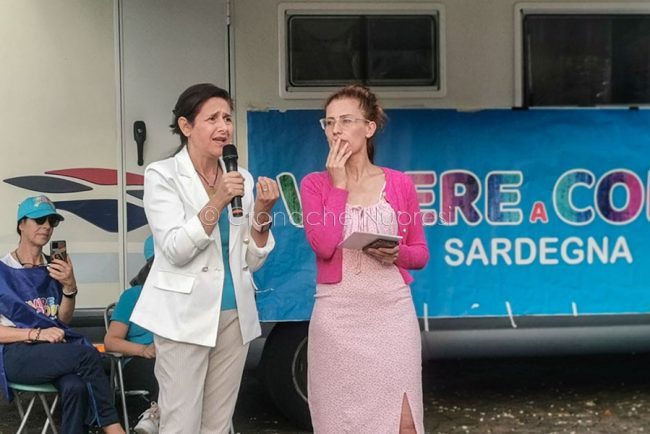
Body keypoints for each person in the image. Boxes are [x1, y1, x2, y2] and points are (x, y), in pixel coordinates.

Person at [130, 83, 279, 433]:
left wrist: (262, 215)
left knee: (218, 424)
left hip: (234, 315)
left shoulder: (239, 176)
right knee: (181, 422)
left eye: (227, 117)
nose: (224, 127)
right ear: (186, 126)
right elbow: (175, 249)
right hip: (183, 317)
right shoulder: (162, 175)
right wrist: (217, 201)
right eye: (212, 118)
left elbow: (251, 260)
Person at [300, 84, 430, 434]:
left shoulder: (400, 183)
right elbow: (325, 246)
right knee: (341, 423)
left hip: (392, 313)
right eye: (328, 122)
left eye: (345, 120)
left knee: (404, 423)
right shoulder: (314, 184)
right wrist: (339, 184)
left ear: (369, 127)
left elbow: (420, 253)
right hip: (337, 317)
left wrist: (396, 252)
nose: (336, 130)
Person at [0, 195, 125, 434]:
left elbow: (62, 320)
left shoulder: (55, 267)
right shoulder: (2, 271)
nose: (46, 226)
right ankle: (113, 427)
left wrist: (70, 287)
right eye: (39, 220)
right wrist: (36, 333)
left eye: (52, 221)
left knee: (76, 387)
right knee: (88, 356)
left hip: (52, 349)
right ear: (21, 224)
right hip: (16, 353)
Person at [104, 236, 159, 434]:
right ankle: (154, 414)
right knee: (166, 369)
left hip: (174, 356)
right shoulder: (133, 296)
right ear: (151, 264)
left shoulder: (184, 294)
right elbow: (110, 341)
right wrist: (143, 349)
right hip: (139, 362)